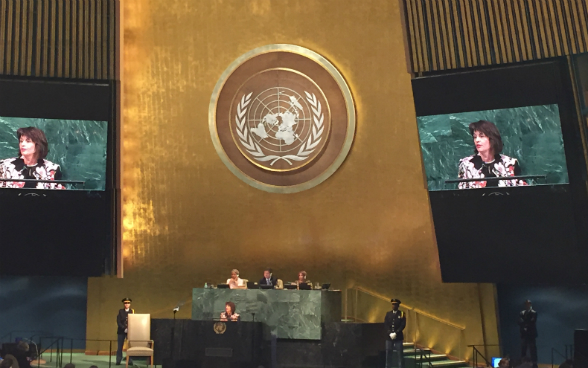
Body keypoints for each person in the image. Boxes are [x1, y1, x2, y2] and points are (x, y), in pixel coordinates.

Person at [457, 120, 528, 189]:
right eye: (475, 137)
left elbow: (522, 190)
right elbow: (461, 193)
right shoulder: (466, 164)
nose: (477, 140)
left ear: (492, 139)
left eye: (481, 136)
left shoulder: (510, 163)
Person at [0, 127, 65, 189]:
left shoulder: (52, 169)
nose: (23, 144)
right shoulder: (5, 166)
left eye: (28, 141)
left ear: (38, 145)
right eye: (21, 141)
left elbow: (60, 196)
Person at [384, 299, 406, 368]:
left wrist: (396, 333)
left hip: (398, 337)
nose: (393, 306)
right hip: (389, 337)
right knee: (388, 355)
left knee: (399, 355)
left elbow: (403, 324)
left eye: (395, 304)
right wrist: (390, 332)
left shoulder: (401, 314)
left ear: (398, 305)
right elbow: (386, 324)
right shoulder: (388, 313)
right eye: (392, 304)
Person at [519, 299, 538, 368]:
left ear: (530, 304)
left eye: (528, 304)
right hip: (524, 334)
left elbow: (532, 321)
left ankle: (534, 363)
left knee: (532, 349)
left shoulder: (534, 312)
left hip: (531, 334)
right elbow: (519, 321)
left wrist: (525, 325)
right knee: (523, 348)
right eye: (526, 304)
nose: (527, 305)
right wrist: (524, 326)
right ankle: (523, 362)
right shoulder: (522, 313)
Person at [116, 297, 134, 365]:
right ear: (124, 304)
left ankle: (130, 360)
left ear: (130, 304)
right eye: (125, 303)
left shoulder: (132, 311)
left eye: (128, 303)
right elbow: (119, 322)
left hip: (129, 331)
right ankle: (118, 360)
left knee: (129, 346)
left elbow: (133, 321)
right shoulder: (121, 311)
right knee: (119, 346)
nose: (127, 304)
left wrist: (129, 329)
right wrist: (124, 328)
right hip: (121, 331)